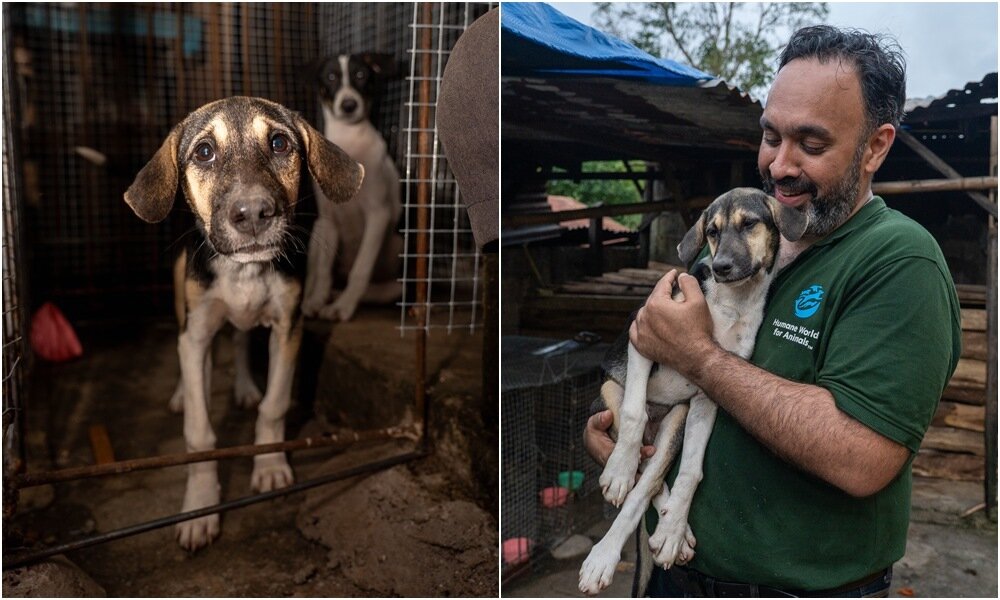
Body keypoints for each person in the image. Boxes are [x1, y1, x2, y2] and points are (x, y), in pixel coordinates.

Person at [585, 25, 961, 598]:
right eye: (770, 135)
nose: (780, 165)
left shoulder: (899, 261)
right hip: (676, 566)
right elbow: (665, 368)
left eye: (811, 145)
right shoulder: (751, 252)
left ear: (876, 147)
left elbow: (861, 457)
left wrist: (698, 356)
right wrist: (623, 431)